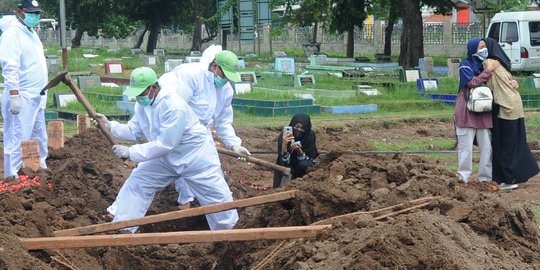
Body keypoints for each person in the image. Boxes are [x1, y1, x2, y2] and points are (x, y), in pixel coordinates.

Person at [94, 67, 238, 233]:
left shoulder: (173, 106)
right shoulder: (142, 105)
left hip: (195, 158)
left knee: (218, 200)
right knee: (139, 181)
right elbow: (134, 130)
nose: (139, 97)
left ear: (154, 87)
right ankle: (123, 228)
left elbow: (165, 144)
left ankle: (230, 237)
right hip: (167, 159)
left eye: (142, 92)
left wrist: (131, 152)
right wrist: (111, 126)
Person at [158, 46, 250, 209]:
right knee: (178, 165)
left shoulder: (225, 90)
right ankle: (185, 202)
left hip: (202, 132)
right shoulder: (191, 76)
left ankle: (220, 211)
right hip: (179, 129)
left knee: (211, 171)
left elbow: (223, 121)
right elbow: (176, 107)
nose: (226, 80)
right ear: (215, 67)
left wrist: (235, 145)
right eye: (225, 75)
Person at [0, 0, 48, 179]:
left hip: (37, 95)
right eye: (31, 13)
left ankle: (39, 168)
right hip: (22, 95)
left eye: (37, 14)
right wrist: (14, 95)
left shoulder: (31, 33)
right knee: (17, 135)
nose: (35, 17)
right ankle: (12, 175)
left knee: (38, 135)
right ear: (20, 12)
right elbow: (10, 66)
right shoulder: (12, 34)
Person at [484, 37, 539, 189]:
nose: (480, 50)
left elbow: (487, 82)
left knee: (504, 145)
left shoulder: (489, 63)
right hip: (514, 107)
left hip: (504, 108)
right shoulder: (502, 64)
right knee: (515, 143)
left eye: (483, 47)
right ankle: (516, 175)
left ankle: (506, 178)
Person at [454, 38, 500, 187]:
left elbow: (500, 82)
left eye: (485, 46)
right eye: (480, 47)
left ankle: (485, 180)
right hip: (467, 112)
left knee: (487, 147)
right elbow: (471, 82)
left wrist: (513, 83)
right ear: (473, 49)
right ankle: (463, 180)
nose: (484, 50)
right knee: (465, 149)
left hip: (484, 113)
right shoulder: (465, 65)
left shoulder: (486, 65)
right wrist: (488, 71)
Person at [273, 114, 319, 188]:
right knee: (283, 166)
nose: (299, 130)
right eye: (297, 127)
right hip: (286, 162)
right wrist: (284, 145)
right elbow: (283, 159)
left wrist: (299, 151)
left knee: (304, 164)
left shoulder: (309, 136)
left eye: (302, 128)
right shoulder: (283, 136)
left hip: (301, 164)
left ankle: (302, 185)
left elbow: (310, 157)